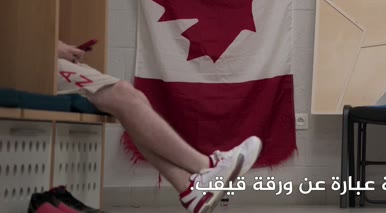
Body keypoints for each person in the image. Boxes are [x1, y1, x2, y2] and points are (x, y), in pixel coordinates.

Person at [56, 40, 261, 213]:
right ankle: (206, 167)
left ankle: (192, 190)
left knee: (135, 100)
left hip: (54, 57)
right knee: (124, 94)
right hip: (44, 60)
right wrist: (55, 46)